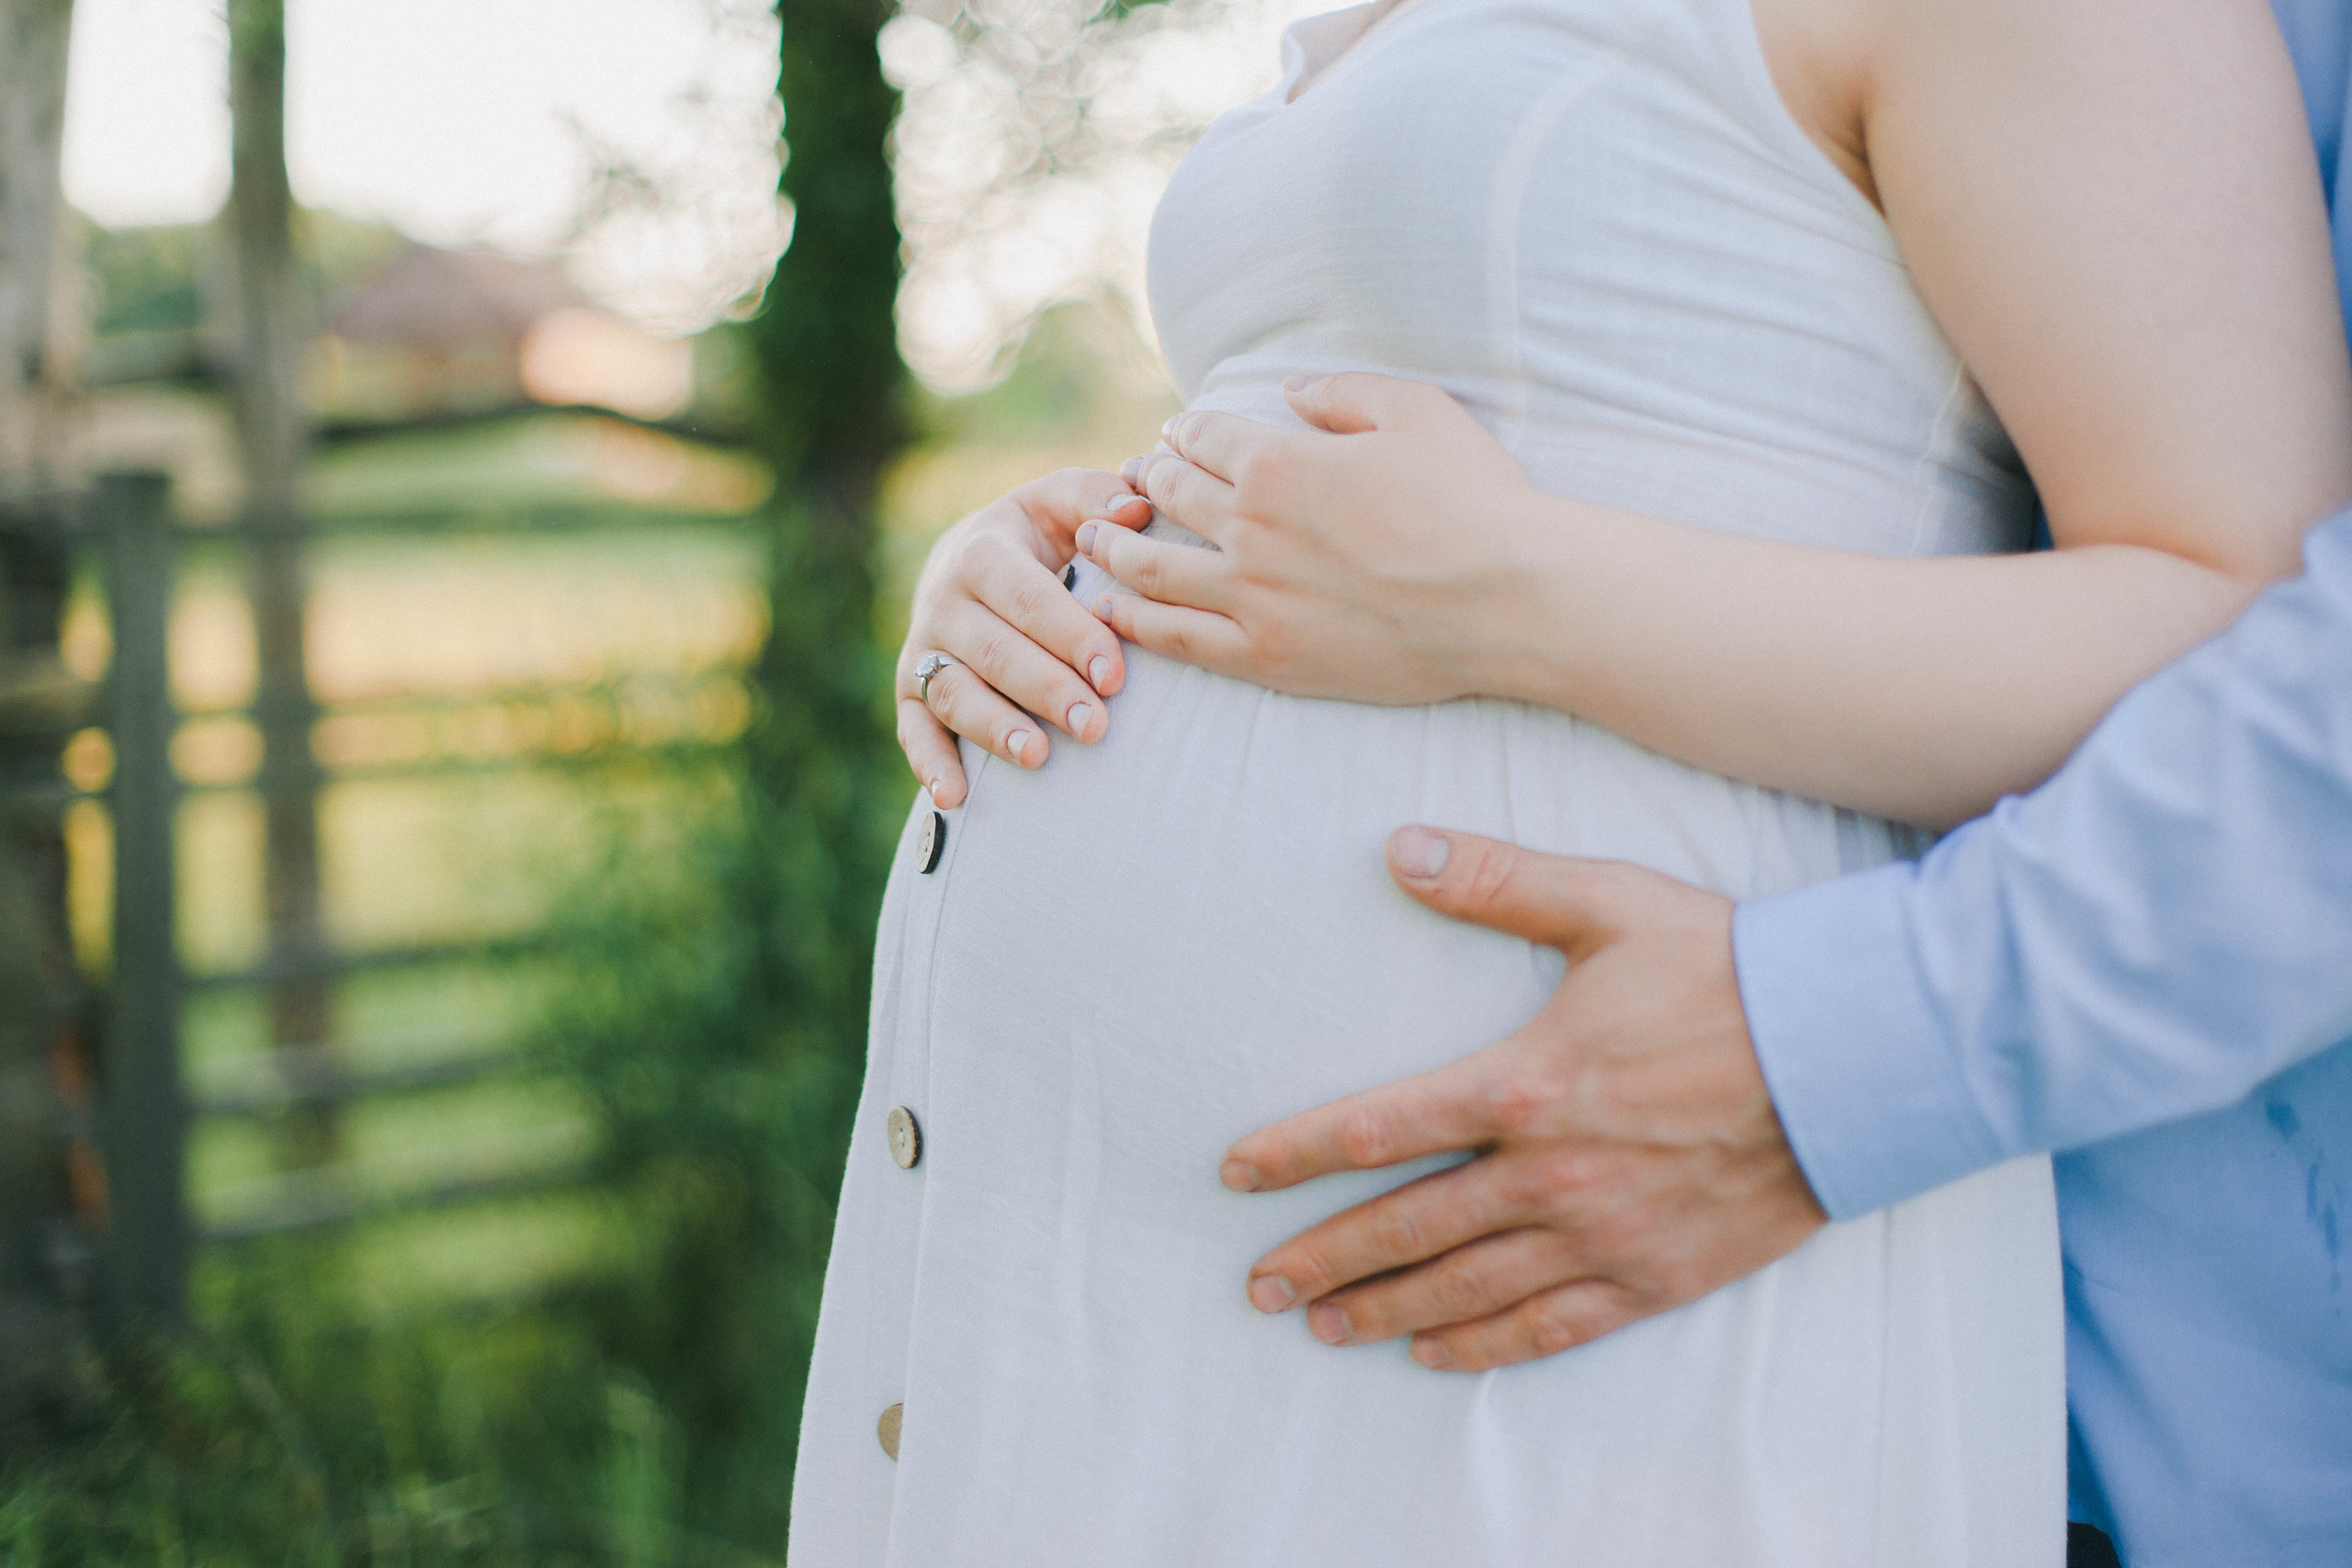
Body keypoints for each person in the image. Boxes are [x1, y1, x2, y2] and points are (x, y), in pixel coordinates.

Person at [792, 0, 2352, 1562]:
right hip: (1093, 1279)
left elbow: (2239, 624)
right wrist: (1084, 549)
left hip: (1580, 1231)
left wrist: (1506, 597)